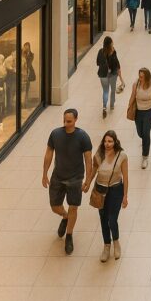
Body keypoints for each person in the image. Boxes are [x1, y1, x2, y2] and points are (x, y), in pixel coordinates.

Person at [42, 108, 92, 255]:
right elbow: (48, 154)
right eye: (64, 120)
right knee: (55, 206)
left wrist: (88, 179)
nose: (66, 123)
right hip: (58, 176)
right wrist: (44, 173)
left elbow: (88, 159)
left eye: (69, 121)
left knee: (74, 207)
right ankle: (65, 216)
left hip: (75, 178)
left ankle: (69, 235)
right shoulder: (55, 134)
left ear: (76, 120)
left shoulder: (83, 137)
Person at [86, 130, 128, 262]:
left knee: (112, 219)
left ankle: (116, 242)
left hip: (116, 190)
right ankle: (106, 246)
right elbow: (93, 171)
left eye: (110, 141)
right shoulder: (98, 155)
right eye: (105, 141)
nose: (107, 144)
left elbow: (126, 178)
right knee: (103, 219)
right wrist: (87, 183)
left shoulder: (122, 156)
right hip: (100, 190)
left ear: (115, 142)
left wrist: (125, 196)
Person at [128, 68, 151, 169]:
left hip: (149, 112)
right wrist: (129, 107)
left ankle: (145, 157)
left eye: (142, 76)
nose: (140, 78)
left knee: (146, 133)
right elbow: (133, 96)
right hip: (138, 111)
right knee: (140, 133)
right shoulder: (136, 84)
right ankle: (145, 141)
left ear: (147, 76)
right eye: (139, 76)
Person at [96, 36, 124, 118]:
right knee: (112, 90)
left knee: (105, 91)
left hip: (102, 75)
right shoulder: (113, 52)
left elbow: (97, 63)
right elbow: (117, 65)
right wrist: (122, 79)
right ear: (110, 43)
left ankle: (104, 107)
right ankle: (111, 105)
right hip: (112, 74)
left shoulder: (100, 51)